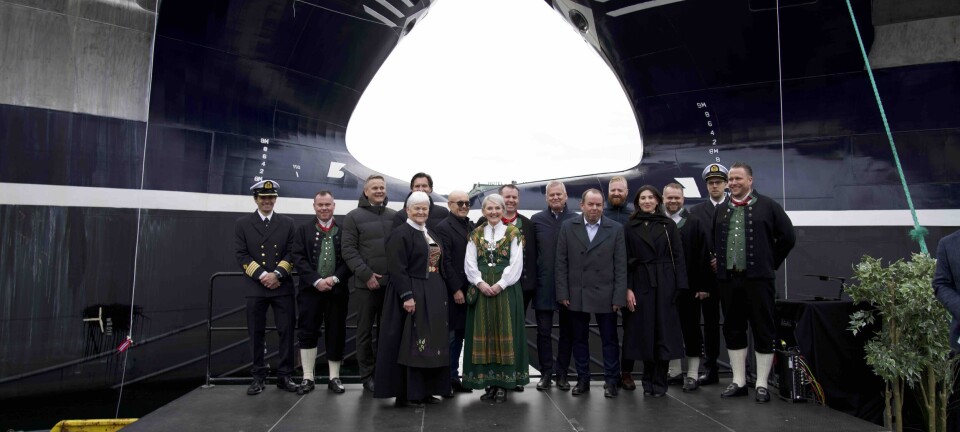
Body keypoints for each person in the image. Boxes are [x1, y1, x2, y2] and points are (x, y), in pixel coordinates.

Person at [712, 162, 795, 403]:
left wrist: (769, 263)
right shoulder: (722, 209)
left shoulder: (768, 206)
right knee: (733, 327)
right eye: (731, 179)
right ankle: (738, 381)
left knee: (763, 328)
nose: (733, 183)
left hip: (759, 281)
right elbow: (714, 239)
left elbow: (788, 237)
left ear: (750, 180)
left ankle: (761, 384)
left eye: (738, 178)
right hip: (729, 280)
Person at [374, 191, 450, 407]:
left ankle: (426, 390)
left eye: (424, 208)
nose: (421, 212)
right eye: (416, 208)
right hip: (412, 293)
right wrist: (407, 296)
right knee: (412, 343)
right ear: (408, 210)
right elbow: (397, 269)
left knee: (430, 342)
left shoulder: (430, 233)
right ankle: (408, 393)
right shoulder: (400, 234)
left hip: (432, 293)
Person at [555, 189, 628, 398]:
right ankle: (583, 380)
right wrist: (563, 293)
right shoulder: (568, 226)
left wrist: (618, 296)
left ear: (603, 206)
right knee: (579, 339)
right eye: (591, 204)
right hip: (577, 293)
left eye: (598, 204)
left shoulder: (615, 229)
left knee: (610, 340)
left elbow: (620, 266)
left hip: (606, 294)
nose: (594, 208)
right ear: (582, 205)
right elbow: (561, 263)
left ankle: (611, 381)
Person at [462, 194, 530, 403]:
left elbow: (516, 263)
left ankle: (504, 384)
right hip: (482, 288)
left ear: (503, 210)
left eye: (497, 208)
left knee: (505, 332)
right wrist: (480, 283)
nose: (493, 212)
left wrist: (501, 284)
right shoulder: (475, 234)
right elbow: (470, 263)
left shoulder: (513, 233)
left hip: (506, 290)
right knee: (485, 332)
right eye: (489, 208)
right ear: (483, 211)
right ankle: (489, 383)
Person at [622, 185, 688, 397]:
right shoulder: (629, 226)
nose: (647, 201)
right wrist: (628, 288)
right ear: (637, 202)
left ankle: (660, 382)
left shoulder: (668, 225)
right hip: (641, 282)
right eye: (643, 198)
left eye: (651, 197)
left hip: (665, 282)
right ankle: (647, 380)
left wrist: (680, 285)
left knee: (664, 333)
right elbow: (625, 260)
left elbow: (678, 256)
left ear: (658, 200)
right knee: (645, 332)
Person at [234, 180, 298, 395]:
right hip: (256, 287)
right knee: (256, 332)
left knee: (286, 331)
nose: (267, 201)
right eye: (263, 197)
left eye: (271, 197)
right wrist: (263, 276)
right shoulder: (243, 224)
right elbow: (241, 255)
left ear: (275, 200)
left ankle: (285, 375)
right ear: (256, 199)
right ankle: (258, 376)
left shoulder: (288, 223)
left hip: (282, 285)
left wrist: (277, 274)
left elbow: (292, 253)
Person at [291, 191, 352, 395]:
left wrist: (335, 279)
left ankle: (334, 377)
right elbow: (298, 258)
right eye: (320, 205)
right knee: (307, 331)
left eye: (327, 204)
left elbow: (350, 258)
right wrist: (316, 280)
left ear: (334, 206)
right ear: (314, 206)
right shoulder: (303, 230)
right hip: (310, 291)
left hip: (337, 291)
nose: (324, 208)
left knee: (336, 331)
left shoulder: (344, 231)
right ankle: (308, 377)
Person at [341, 175, 396, 392]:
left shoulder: (394, 216)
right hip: (366, 285)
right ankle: (367, 375)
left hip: (390, 285)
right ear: (366, 191)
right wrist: (367, 275)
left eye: (382, 187)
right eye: (375, 188)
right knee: (364, 332)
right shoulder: (353, 217)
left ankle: (384, 373)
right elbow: (348, 250)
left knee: (387, 331)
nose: (379, 191)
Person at [663, 183, 710, 392]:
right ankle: (674, 372)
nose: (673, 201)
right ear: (663, 198)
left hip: (690, 288)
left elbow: (703, 255)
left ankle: (692, 374)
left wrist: (703, 285)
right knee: (669, 330)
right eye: (669, 197)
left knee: (691, 330)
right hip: (665, 288)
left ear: (683, 199)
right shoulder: (658, 222)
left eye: (677, 198)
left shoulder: (694, 222)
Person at [530, 181, 577, 391]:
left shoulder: (576, 219)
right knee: (543, 332)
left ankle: (562, 373)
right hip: (544, 285)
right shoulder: (536, 220)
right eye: (552, 195)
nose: (556, 198)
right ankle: (546, 373)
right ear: (546, 197)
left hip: (569, 287)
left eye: (559, 194)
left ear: (565, 196)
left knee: (568, 333)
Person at [686, 163, 728, 385]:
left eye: (718, 182)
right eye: (711, 183)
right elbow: (694, 246)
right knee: (710, 325)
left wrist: (723, 259)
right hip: (707, 279)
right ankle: (710, 369)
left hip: (731, 278)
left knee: (734, 324)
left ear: (725, 184)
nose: (714, 186)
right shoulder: (696, 212)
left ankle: (744, 371)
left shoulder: (735, 207)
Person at [433, 190, 475, 397]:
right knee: (451, 338)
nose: (464, 206)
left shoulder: (471, 226)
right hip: (455, 291)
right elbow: (445, 261)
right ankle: (446, 380)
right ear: (450, 204)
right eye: (460, 203)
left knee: (461, 336)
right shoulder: (443, 227)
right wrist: (456, 289)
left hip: (472, 289)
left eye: (467, 203)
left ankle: (456, 377)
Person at [603, 176, 636, 390]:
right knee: (608, 333)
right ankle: (611, 375)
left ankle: (626, 373)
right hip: (605, 282)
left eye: (620, 190)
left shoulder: (633, 216)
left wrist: (629, 285)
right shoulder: (600, 215)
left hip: (629, 283)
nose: (616, 193)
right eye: (613, 190)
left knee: (630, 331)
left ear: (627, 192)